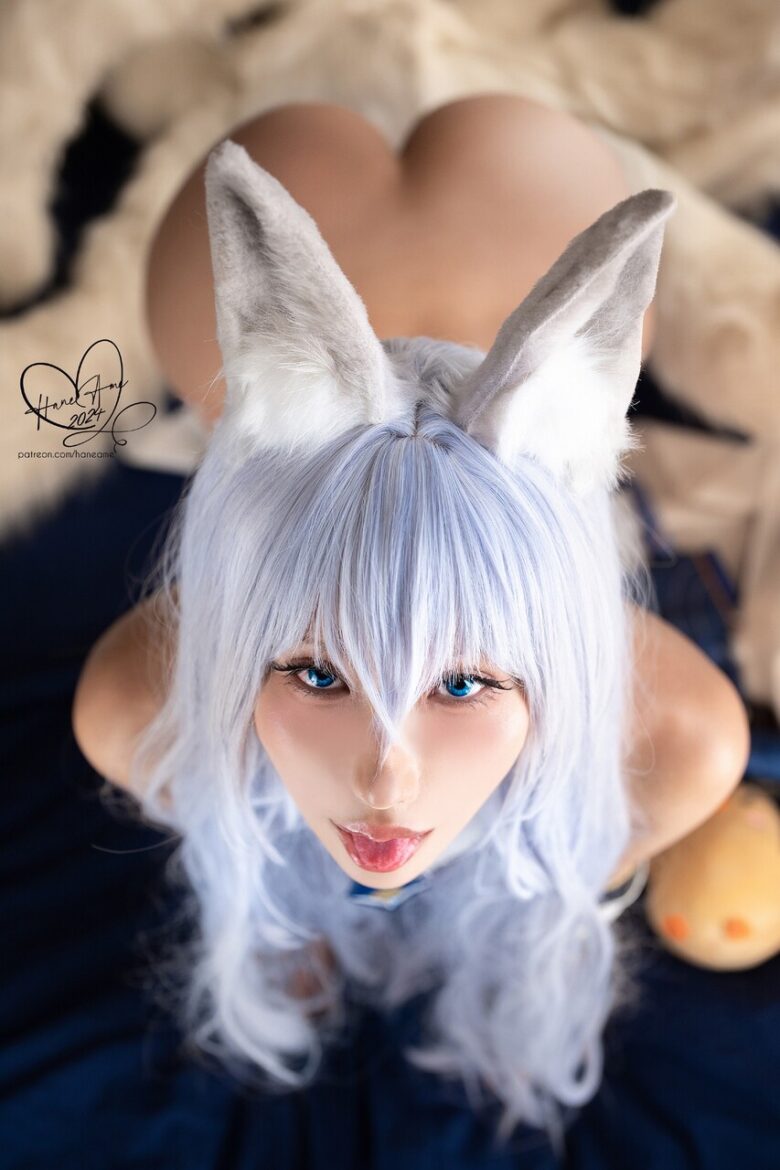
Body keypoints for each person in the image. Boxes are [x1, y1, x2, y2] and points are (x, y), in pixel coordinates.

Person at [72, 96, 750, 1151]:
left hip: (528, 182)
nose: (386, 781)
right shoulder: (132, 714)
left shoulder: (684, 746)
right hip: (373, 202)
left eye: (462, 682)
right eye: (318, 675)